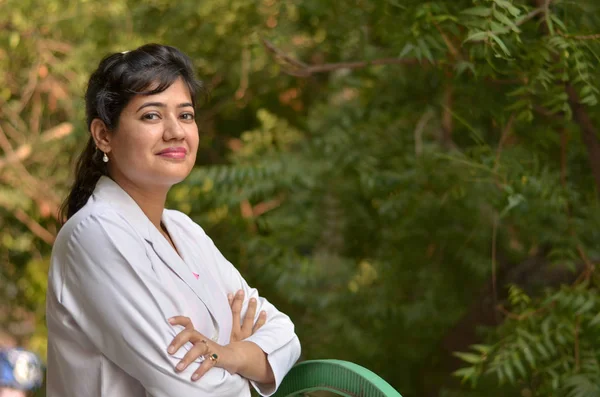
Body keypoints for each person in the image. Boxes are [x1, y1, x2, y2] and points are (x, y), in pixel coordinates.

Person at [46, 44, 301, 397]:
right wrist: (241, 361)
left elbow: (284, 336)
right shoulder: (94, 234)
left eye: (185, 115)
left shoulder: (185, 231)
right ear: (104, 135)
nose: (175, 132)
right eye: (152, 115)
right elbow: (190, 387)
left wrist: (227, 353)